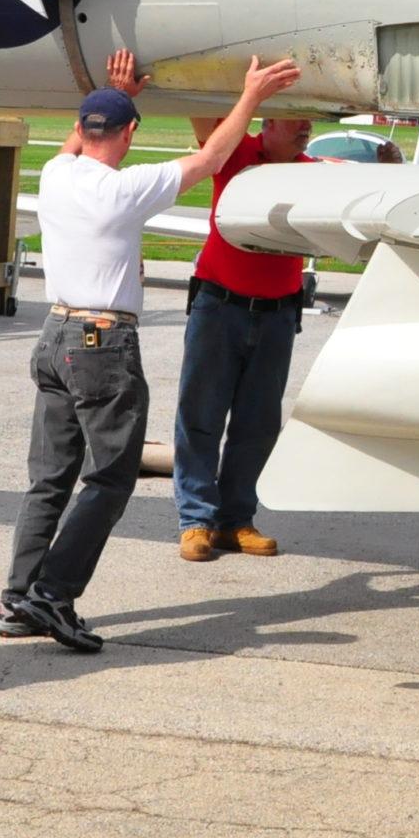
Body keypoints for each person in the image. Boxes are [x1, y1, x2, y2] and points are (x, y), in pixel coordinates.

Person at [0, 48, 301, 652]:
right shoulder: (126, 189)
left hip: (54, 335)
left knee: (49, 479)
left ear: (82, 130)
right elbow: (212, 158)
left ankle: (16, 599)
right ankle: (54, 594)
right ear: (129, 135)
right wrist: (251, 96)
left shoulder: (56, 173)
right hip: (101, 344)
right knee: (110, 479)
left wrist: (117, 97)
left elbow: (78, 139)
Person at [174, 107, 316, 560]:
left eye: (310, 119)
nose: (307, 126)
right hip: (220, 306)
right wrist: (252, 93)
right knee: (201, 415)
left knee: (257, 424)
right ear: (268, 122)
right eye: (296, 117)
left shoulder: (313, 173)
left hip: (278, 314)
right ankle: (196, 520)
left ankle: (235, 520)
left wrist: (390, 165)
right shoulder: (235, 151)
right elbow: (201, 109)